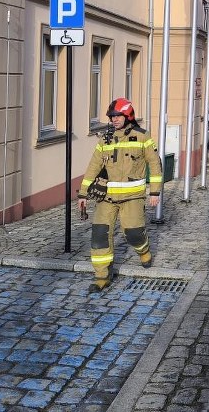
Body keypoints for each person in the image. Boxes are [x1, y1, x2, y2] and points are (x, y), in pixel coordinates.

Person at [78, 98, 162, 292]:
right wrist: (83, 194)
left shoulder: (142, 136)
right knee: (99, 235)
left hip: (132, 197)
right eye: (112, 117)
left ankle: (144, 249)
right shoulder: (105, 139)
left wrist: (155, 191)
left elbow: (155, 164)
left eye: (118, 116)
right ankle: (102, 276)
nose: (114, 120)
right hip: (106, 198)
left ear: (128, 116)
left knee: (133, 233)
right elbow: (93, 166)